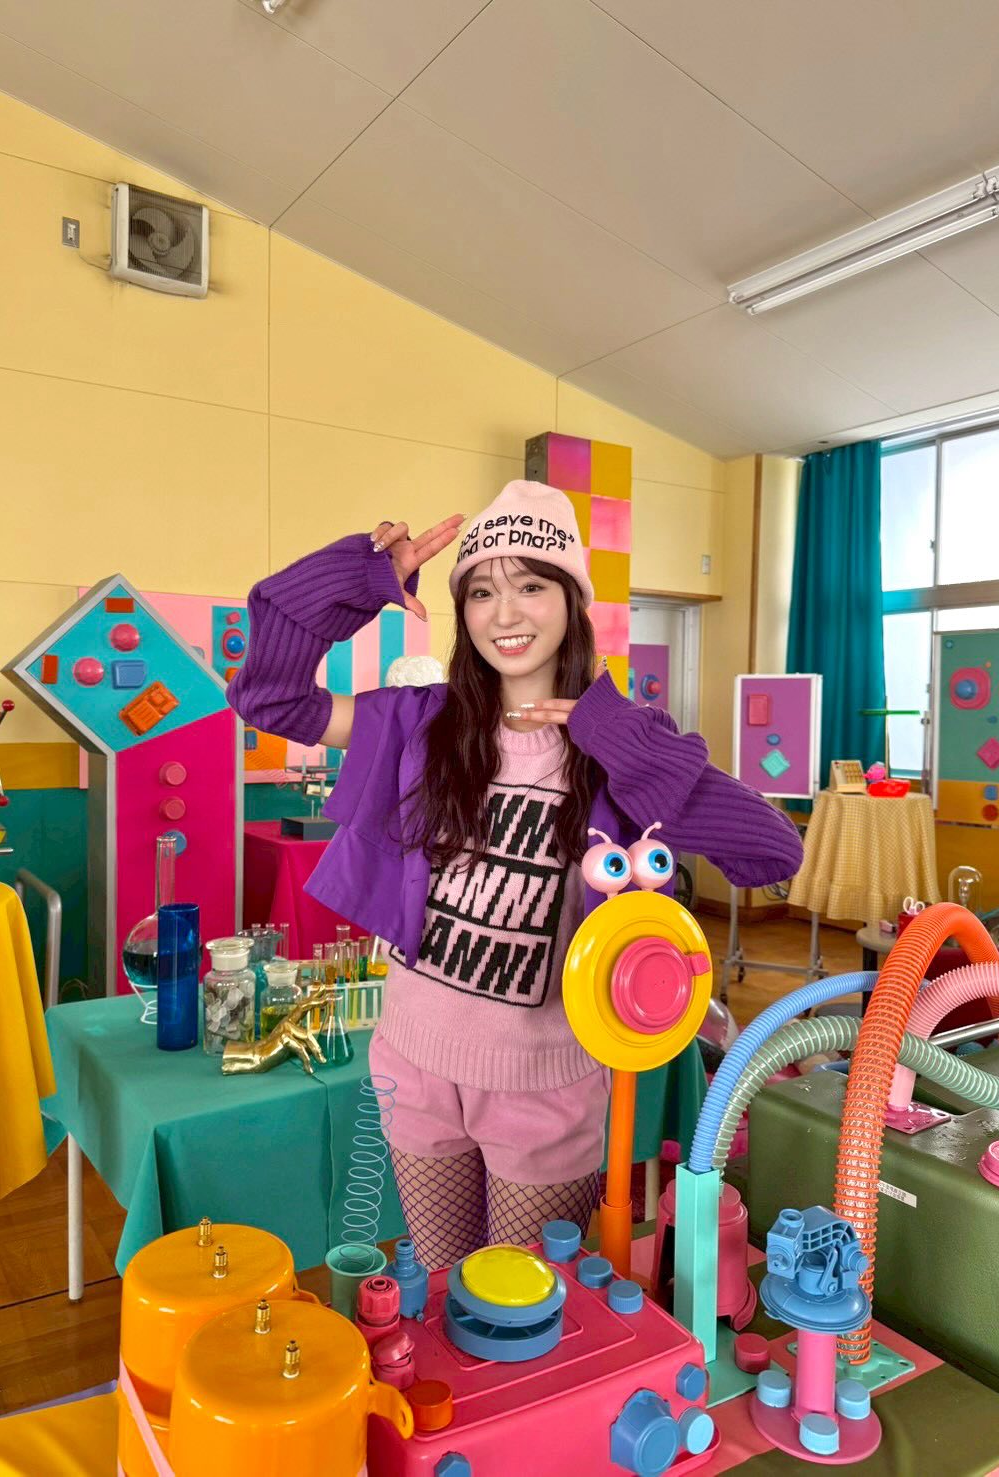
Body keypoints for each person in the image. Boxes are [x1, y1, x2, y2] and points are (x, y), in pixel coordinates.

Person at [228, 481, 802, 1268]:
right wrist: (357, 580)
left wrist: (613, 733)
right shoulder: (419, 721)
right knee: (443, 1295)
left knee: (522, 1312)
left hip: (545, 1085)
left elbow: (771, 852)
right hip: (415, 1064)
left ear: (571, 601)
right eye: (482, 591)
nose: (505, 613)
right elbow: (267, 695)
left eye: (531, 585)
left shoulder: (620, 747)